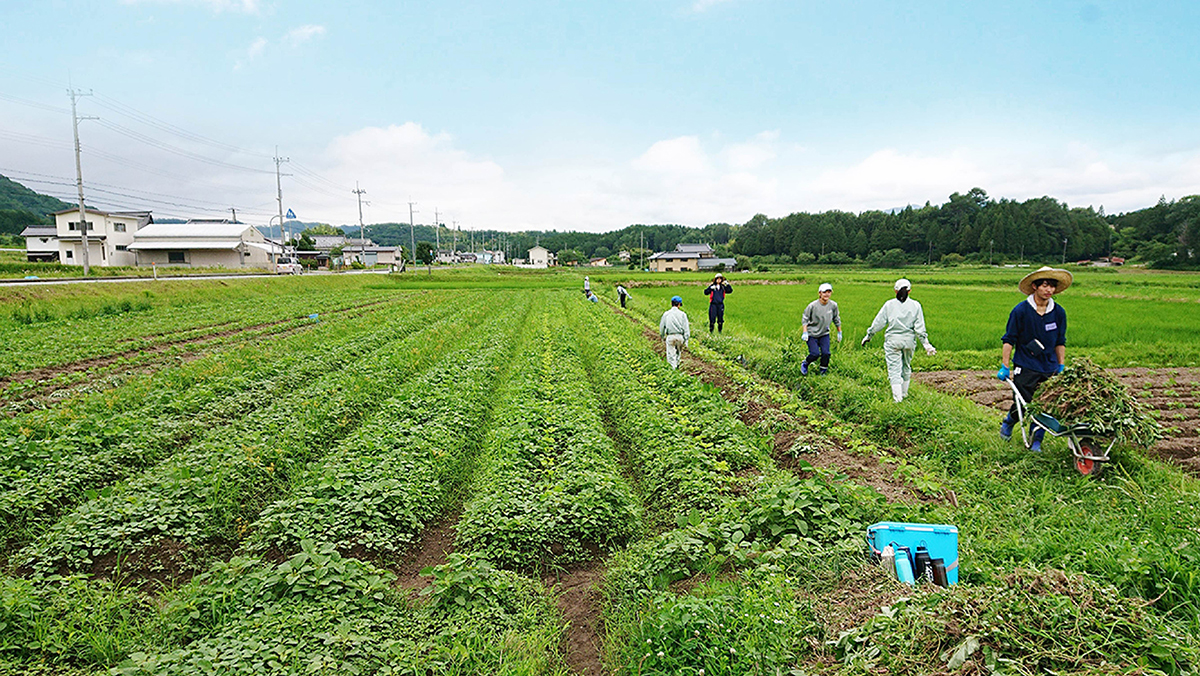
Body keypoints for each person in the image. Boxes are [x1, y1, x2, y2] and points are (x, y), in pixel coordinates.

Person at [997, 266, 1071, 451]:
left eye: (1052, 286)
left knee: (1045, 404)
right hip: (1026, 364)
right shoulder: (1021, 311)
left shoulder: (1059, 312)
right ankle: (1009, 421)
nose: (1049, 290)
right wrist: (1005, 366)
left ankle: (1036, 440)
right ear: (1035, 287)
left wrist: (1061, 365)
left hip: (1049, 366)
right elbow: (1009, 340)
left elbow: (1060, 342)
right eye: (1045, 285)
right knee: (1024, 402)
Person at [861, 278, 936, 402]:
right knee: (906, 366)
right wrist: (926, 344)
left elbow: (878, 323)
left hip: (893, 341)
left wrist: (869, 335)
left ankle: (898, 399)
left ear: (895, 291)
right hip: (909, 341)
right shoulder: (916, 305)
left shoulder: (889, 304)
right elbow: (920, 328)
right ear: (910, 291)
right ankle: (904, 394)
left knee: (894, 369)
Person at [800, 282, 842, 375]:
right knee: (815, 354)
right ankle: (805, 363)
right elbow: (805, 319)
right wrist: (805, 332)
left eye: (829, 292)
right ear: (820, 293)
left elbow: (836, 319)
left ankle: (823, 371)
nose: (827, 294)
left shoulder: (833, 305)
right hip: (812, 334)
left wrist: (839, 332)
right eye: (824, 292)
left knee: (826, 353)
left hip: (824, 333)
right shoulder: (812, 306)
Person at [659, 295, 690, 369]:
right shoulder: (683, 314)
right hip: (680, 337)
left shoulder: (666, 314)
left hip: (670, 336)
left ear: (671, 303)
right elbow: (686, 328)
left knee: (671, 355)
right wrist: (686, 340)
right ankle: (677, 366)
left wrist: (662, 336)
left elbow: (662, 327)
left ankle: (673, 370)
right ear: (679, 304)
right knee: (678, 353)